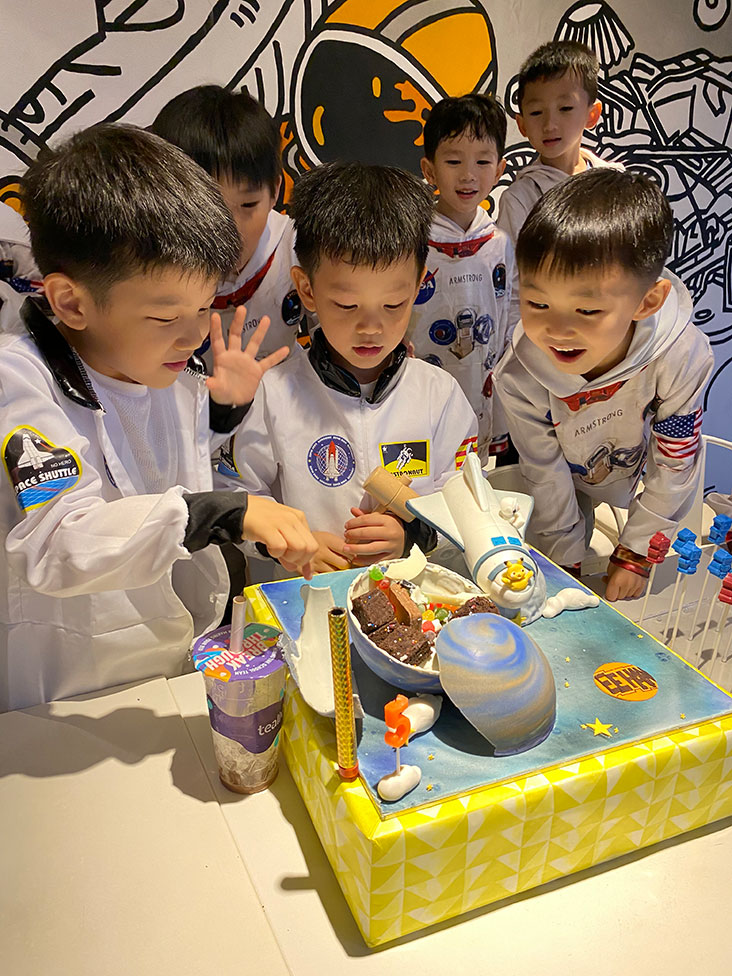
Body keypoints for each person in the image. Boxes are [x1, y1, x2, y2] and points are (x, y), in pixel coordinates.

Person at [0, 124, 317, 711]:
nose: (196, 333)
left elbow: (187, 486)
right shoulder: (18, 382)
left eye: (204, 306)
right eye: (166, 315)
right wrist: (223, 513)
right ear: (72, 302)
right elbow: (58, 542)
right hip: (65, 693)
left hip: (176, 668)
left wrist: (261, 529)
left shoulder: (170, 375)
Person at [222, 161, 478, 576]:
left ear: (417, 288)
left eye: (393, 305)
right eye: (346, 305)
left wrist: (412, 537)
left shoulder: (440, 395)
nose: (371, 327)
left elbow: (469, 503)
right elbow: (237, 496)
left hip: (414, 605)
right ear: (307, 289)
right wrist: (283, 543)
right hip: (308, 602)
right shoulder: (273, 394)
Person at [494, 168, 713, 601]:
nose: (557, 330)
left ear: (647, 301)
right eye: (537, 303)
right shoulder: (520, 373)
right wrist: (565, 559)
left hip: (649, 479)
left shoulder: (680, 354)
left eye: (587, 311)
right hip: (567, 479)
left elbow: (674, 462)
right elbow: (545, 470)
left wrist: (636, 552)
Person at [151, 85, 305, 356]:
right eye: (205, 208)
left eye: (248, 205)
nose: (229, 231)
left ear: (275, 192)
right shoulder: (147, 266)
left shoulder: (298, 248)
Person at [410, 93, 518, 462]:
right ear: (429, 169)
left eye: (483, 161)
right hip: (422, 378)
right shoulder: (412, 239)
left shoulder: (500, 243)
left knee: (474, 472)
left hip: (482, 382)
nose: (468, 175)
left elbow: (509, 314)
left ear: (500, 168)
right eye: (453, 161)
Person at [497, 40, 622, 244]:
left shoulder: (615, 182)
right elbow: (512, 272)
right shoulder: (520, 198)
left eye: (565, 108)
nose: (549, 125)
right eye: (536, 112)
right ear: (522, 124)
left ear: (592, 115)